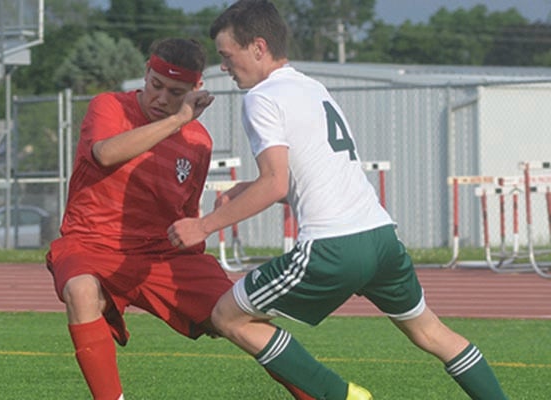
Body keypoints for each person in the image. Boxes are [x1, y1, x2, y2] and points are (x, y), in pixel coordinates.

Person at [167, 1, 509, 399]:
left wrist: (202, 226)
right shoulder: (312, 87)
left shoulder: (261, 97)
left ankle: (341, 396)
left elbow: (276, 183)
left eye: (227, 56)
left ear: (258, 47)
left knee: (227, 316)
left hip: (333, 248)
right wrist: (249, 188)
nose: (224, 67)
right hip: (381, 238)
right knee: (432, 333)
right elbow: (313, 178)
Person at [45, 38, 229, 400]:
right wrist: (178, 119)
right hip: (91, 243)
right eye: (155, 84)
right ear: (146, 71)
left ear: (197, 90)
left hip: (161, 254)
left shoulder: (199, 142)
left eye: (175, 92)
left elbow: (187, 210)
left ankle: (328, 392)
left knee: (239, 315)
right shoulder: (108, 105)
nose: (160, 97)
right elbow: (106, 154)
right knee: (81, 291)